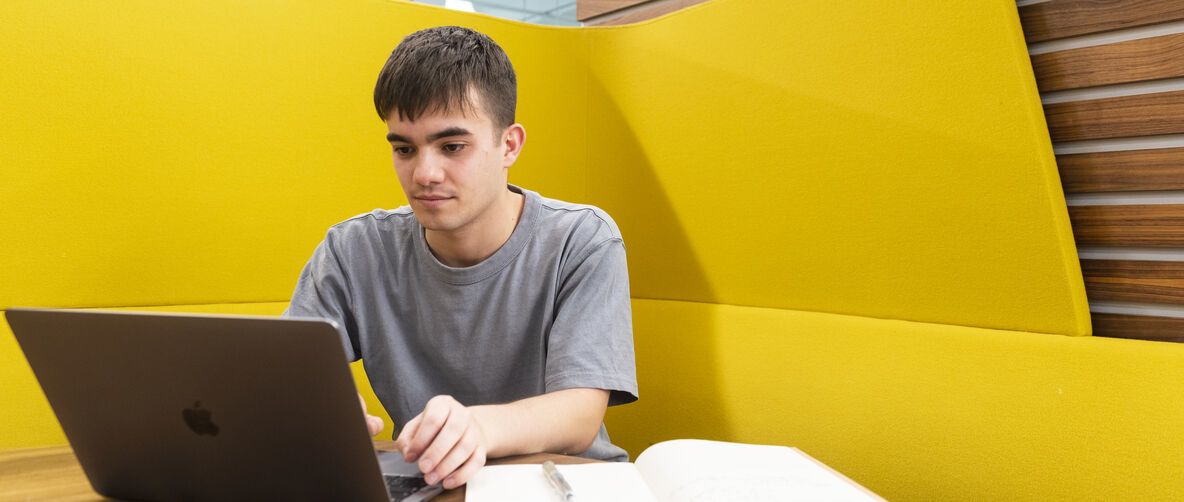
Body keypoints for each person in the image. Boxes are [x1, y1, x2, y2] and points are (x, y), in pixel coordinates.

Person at [283, 26, 637, 490]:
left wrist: (478, 428)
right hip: (429, 484)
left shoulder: (582, 239)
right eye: (404, 149)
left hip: (560, 484)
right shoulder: (353, 249)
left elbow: (579, 414)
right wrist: (314, 399)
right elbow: (286, 370)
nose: (424, 174)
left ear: (509, 145)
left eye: (452, 147)